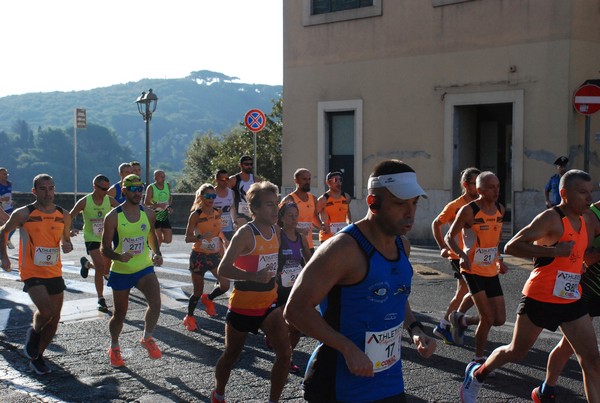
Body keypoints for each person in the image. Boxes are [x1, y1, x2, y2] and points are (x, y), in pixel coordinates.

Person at [284, 159, 436, 403]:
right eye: (399, 204)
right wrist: (347, 348)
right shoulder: (342, 249)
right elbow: (295, 310)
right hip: (339, 384)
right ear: (373, 203)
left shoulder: (402, 245)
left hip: (389, 380)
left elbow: (397, 293)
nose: (410, 213)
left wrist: (415, 329)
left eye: (414, 203)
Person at [460, 169, 600, 403]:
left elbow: (581, 255)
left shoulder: (585, 221)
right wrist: (554, 251)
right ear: (564, 194)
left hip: (571, 297)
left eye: (591, 192)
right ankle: (477, 375)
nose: (589, 197)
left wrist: (585, 260)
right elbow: (512, 246)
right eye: (583, 192)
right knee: (516, 351)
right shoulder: (551, 218)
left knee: (592, 360)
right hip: (541, 296)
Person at [212, 181, 290, 403]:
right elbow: (223, 269)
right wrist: (254, 276)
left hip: (269, 303)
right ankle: (218, 393)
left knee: (285, 355)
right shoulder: (245, 234)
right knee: (232, 355)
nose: (275, 209)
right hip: (243, 307)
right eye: (268, 205)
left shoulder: (276, 230)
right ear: (254, 209)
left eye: (276, 204)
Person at [0, 174, 73, 375]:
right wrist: (4, 257)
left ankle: (37, 357)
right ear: (34, 191)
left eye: (51, 188)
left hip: (54, 270)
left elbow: (65, 239)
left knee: (55, 319)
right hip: (32, 271)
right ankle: (33, 334)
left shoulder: (63, 214)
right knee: (47, 311)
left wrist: (67, 244)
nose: (47, 192)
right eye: (43, 188)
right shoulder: (23, 214)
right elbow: (3, 231)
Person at [531, 191, 600, 402]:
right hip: (588, 289)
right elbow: (581, 257)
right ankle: (546, 388)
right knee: (573, 349)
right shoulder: (591, 215)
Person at [101, 174, 164, 367]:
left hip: (144, 267)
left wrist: (157, 252)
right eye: (134, 189)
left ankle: (147, 338)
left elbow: (151, 235)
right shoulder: (113, 217)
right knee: (120, 314)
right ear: (124, 190)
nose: (138, 193)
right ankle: (114, 346)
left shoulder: (149, 213)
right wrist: (119, 257)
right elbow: (104, 248)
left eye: (141, 189)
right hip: (121, 270)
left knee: (156, 303)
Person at [445, 171, 508, 365]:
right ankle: (478, 359)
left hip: (490, 269)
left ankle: (461, 320)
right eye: (491, 187)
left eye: (498, 186)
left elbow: (495, 239)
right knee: (487, 318)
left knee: (500, 319)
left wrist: (499, 260)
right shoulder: (469, 210)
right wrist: (462, 256)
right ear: (480, 190)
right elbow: (449, 236)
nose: (496, 190)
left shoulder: (500, 209)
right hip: (472, 270)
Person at [431, 167, 480, 345]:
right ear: (466, 185)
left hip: (474, 255)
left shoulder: (481, 204)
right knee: (465, 291)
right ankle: (447, 323)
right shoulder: (455, 205)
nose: (479, 187)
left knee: (465, 291)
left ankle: (452, 322)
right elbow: (436, 224)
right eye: (476, 184)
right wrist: (442, 247)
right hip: (458, 254)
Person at [182, 184, 230, 331]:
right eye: (208, 196)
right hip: (199, 256)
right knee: (197, 291)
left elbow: (218, 231)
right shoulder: (196, 215)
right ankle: (189, 317)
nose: (211, 199)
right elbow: (187, 238)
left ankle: (208, 298)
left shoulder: (218, 212)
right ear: (201, 197)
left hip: (214, 255)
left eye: (213, 196)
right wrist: (200, 237)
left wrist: (224, 239)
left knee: (225, 284)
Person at [69, 174, 119, 312]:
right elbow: (69, 216)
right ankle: (100, 299)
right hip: (91, 238)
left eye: (107, 188)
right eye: (103, 188)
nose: (105, 191)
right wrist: (71, 228)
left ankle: (86, 264)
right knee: (101, 265)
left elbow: (123, 211)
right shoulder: (85, 201)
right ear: (94, 187)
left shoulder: (110, 200)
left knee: (103, 268)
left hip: (106, 238)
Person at [273, 202, 311, 373]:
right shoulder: (278, 236)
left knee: (296, 328)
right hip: (279, 287)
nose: (295, 218)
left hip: (295, 286)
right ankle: (280, 349)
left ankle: (288, 357)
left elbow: (310, 262)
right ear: (281, 218)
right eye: (290, 215)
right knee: (282, 324)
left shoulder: (301, 237)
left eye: (296, 215)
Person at [280, 168, 323, 255]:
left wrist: (322, 226)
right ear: (296, 180)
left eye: (309, 179)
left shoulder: (313, 199)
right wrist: (298, 230)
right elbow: (279, 222)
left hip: (309, 245)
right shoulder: (289, 199)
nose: (307, 182)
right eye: (304, 179)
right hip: (292, 243)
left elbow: (314, 217)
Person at [316, 170, 352, 243]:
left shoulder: (346, 197)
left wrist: (349, 222)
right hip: (327, 237)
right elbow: (314, 215)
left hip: (341, 236)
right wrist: (321, 225)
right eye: (335, 180)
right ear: (328, 182)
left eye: (340, 180)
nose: (338, 182)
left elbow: (347, 212)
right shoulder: (323, 199)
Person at [229, 155, 261, 227]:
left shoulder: (256, 180)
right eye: (246, 164)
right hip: (238, 215)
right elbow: (227, 196)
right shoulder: (233, 180)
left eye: (251, 164)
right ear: (240, 165)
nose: (249, 166)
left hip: (253, 214)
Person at [144, 170, 173, 247]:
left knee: (168, 239)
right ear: (155, 178)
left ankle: (151, 241)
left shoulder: (167, 185)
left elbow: (170, 197)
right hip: (154, 215)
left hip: (164, 216)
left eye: (164, 177)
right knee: (158, 238)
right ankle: (156, 254)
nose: (163, 179)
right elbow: (146, 203)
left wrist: (169, 206)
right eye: (161, 177)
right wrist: (158, 205)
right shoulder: (151, 187)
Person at [214, 169, 237, 242]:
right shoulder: (212, 193)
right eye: (222, 180)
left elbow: (232, 208)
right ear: (216, 180)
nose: (225, 181)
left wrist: (235, 221)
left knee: (228, 250)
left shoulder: (231, 192)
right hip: (215, 227)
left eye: (227, 179)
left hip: (228, 228)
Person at [0, 167, 16, 248]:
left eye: (7, 174)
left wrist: (11, 201)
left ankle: (7, 240)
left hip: (9, 207)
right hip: (1, 208)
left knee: (13, 224)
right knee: (5, 225)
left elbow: (9, 194)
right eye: (4, 174)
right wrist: (2, 199)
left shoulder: (9, 183)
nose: (6, 175)